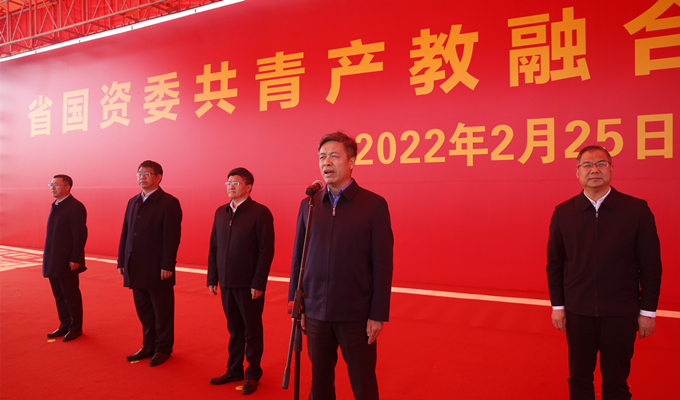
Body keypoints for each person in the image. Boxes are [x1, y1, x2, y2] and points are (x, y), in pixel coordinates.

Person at [546, 145, 662, 399]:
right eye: (587, 165)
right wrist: (558, 306)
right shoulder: (563, 212)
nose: (594, 170)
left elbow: (651, 264)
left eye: (601, 164)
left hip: (621, 312)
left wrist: (647, 311)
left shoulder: (637, 210)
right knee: (579, 379)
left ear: (611, 169)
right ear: (577, 172)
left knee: (616, 382)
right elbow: (555, 263)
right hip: (578, 312)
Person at [288, 132, 394, 400]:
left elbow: (383, 264)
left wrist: (378, 313)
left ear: (351, 162)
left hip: (356, 314)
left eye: (334, 156)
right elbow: (299, 257)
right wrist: (297, 304)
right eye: (322, 157)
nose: (326, 162)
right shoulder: (309, 204)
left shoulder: (373, 205)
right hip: (315, 312)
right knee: (320, 383)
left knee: (363, 383)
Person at [207, 167, 275, 395]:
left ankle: (253, 374)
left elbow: (266, 251)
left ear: (249, 187)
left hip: (248, 285)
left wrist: (258, 283)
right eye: (228, 182)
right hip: (226, 282)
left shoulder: (260, 213)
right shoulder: (221, 212)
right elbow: (214, 246)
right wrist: (213, 277)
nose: (230, 186)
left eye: (235, 183)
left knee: (251, 331)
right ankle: (234, 369)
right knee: (234, 329)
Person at [118, 160, 183, 367]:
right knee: (144, 309)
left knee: (162, 310)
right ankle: (148, 345)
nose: (142, 177)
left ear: (159, 177)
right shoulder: (133, 201)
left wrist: (168, 265)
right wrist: (122, 260)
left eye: (147, 173)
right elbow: (126, 232)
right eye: (139, 173)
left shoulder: (169, 202)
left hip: (157, 267)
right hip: (135, 265)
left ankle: (163, 348)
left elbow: (172, 237)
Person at [43, 174, 88, 342]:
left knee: (70, 295)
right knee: (59, 295)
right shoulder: (56, 205)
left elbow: (80, 234)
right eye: (51, 184)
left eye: (56, 184)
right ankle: (64, 324)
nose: (52, 187)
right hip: (53, 258)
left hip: (67, 260)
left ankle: (75, 327)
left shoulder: (75, 207)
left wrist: (75, 257)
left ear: (67, 187)